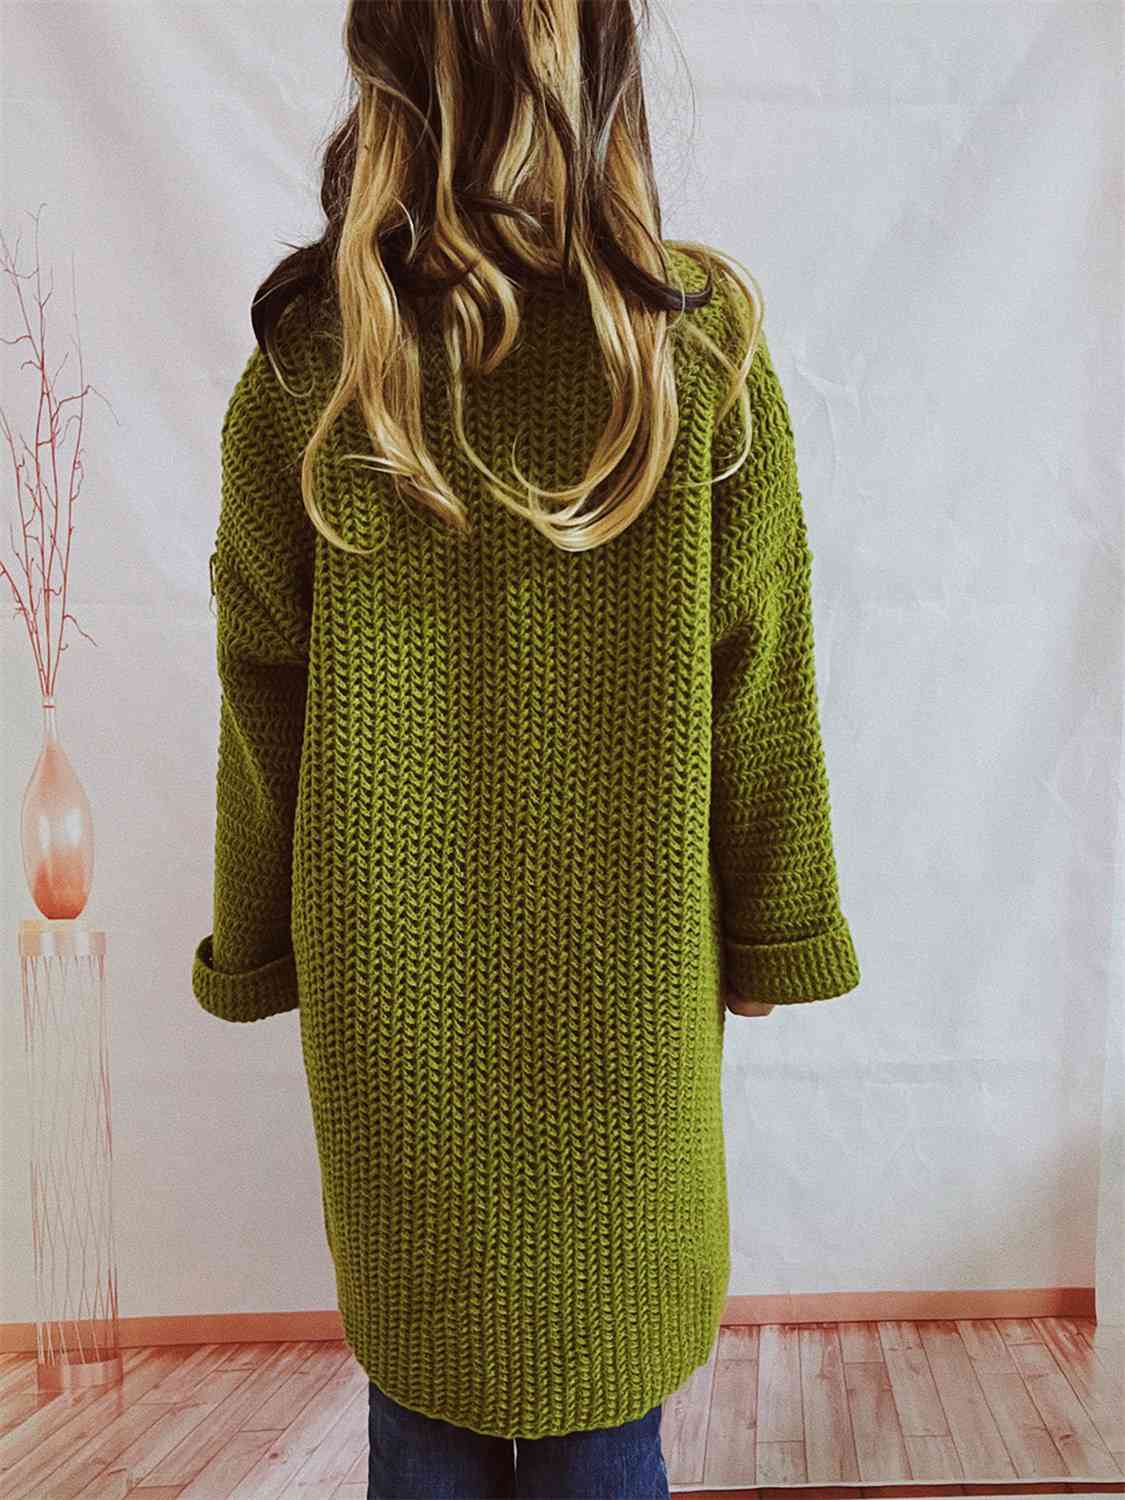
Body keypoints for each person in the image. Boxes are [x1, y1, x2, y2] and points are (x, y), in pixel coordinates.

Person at [190, 1, 861, 1495]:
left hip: (394, 1030)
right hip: (627, 1032)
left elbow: (259, 689)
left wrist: (255, 939)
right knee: (605, 1431)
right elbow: (760, 679)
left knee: (419, 1422)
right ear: (605, 81)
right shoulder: (695, 355)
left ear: (385, 87)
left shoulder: (312, 372)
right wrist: (770, 932)